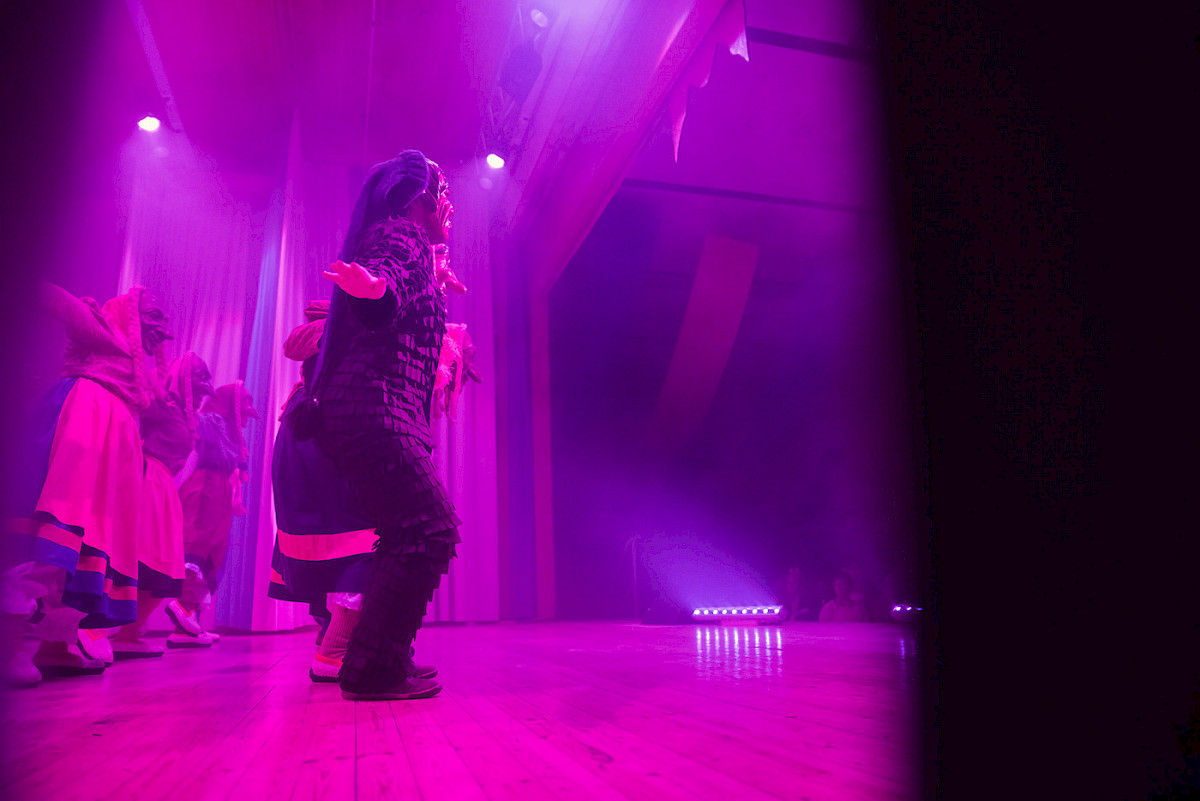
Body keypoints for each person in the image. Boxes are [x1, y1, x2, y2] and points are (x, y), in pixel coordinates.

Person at [302, 150, 459, 701]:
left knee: (410, 532)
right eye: (443, 193)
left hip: (379, 408)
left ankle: (381, 660)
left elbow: (403, 298)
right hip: (374, 405)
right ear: (419, 198)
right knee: (429, 529)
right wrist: (374, 289)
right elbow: (386, 285)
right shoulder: (399, 235)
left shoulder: (416, 248)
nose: (450, 206)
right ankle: (372, 668)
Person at [2, 282, 171, 684]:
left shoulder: (138, 371)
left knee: (92, 542)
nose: (161, 327)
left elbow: (160, 395)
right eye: (153, 315)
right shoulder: (103, 327)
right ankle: (8, 648)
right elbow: (57, 300)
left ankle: (54, 645)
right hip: (84, 422)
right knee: (60, 526)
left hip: (114, 441)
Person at [102, 352, 213, 658]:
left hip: (164, 489)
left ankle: (130, 633)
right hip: (147, 480)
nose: (202, 392)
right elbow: (138, 397)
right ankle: (100, 631)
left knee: (164, 565)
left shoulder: (186, 416)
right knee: (142, 556)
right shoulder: (164, 405)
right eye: (198, 384)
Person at [172, 381, 256, 646]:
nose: (245, 418)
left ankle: (186, 625)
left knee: (213, 552)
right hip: (205, 488)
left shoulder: (227, 429)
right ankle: (183, 606)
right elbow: (206, 452)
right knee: (197, 544)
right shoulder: (210, 422)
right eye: (243, 410)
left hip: (218, 490)